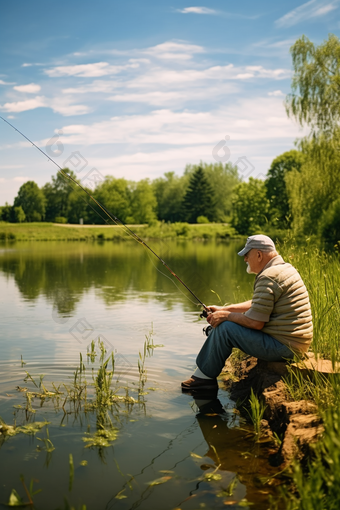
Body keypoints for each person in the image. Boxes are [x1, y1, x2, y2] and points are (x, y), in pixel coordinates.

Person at [181, 235, 313, 391]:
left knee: (225, 329)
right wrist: (225, 309)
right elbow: (258, 304)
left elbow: (256, 323)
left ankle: (203, 380)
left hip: (284, 347)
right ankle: (206, 371)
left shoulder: (268, 276)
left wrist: (225, 316)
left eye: (246, 255)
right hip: (296, 345)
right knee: (227, 323)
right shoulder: (284, 269)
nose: (245, 259)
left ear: (258, 254)